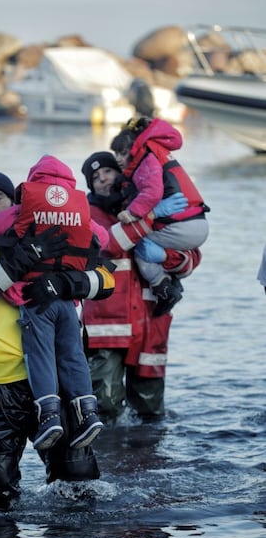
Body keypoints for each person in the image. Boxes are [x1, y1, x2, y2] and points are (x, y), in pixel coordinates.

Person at [0, 170, 115, 511]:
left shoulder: (54, 234)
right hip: (0, 380)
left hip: (55, 377)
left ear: (15, 203)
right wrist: (20, 261)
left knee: (78, 481)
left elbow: (106, 280)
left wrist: (66, 284)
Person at [80, 151, 203, 422]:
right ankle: (105, 460)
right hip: (105, 329)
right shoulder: (87, 215)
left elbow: (191, 259)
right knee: (105, 407)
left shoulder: (151, 204)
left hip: (150, 323)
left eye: (108, 172)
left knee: (151, 411)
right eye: (95, 178)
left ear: (122, 173)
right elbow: (110, 245)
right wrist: (149, 217)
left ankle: (150, 460)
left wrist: (167, 257)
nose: (103, 180)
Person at [110, 116, 210, 316]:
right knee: (148, 247)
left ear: (134, 147)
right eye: (115, 154)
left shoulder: (146, 159)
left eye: (122, 153)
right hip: (195, 223)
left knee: (139, 246)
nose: (119, 159)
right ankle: (171, 284)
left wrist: (134, 213)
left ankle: (164, 288)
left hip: (181, 225)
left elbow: (152, 192)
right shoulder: (158, 153)